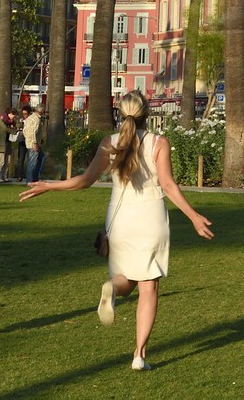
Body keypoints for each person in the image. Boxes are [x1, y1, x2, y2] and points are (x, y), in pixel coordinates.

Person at [20, 91, 213, 371]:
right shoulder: (159, 143)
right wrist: (194, 217)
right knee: (149, 287)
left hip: (120, 219)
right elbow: (168, 186)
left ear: (119, 113)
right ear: (147, 113)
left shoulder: (110, 142)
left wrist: (49, 185)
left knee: (125, 280)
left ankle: (111, 288)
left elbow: (85, 180)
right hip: (150, 217)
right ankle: (138, 355)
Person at [0, 108, 19, 183]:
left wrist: (15, 127)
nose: (14, 118)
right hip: (1, 144)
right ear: (10, 114)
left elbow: (16, 127)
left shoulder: (12, 122)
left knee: (7, 162)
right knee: (1, 162)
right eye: (13, 116)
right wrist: (13, 131)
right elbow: (5, 129)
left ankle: (4, 176)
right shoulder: (2, 119)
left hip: (8, 143)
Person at [22, 105, 44, 182]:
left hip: (30, 142)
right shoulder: (36, 119)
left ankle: (34, 178)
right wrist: (34, 143)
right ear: (41, 111)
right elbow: (32, 132)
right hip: (33, 144)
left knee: (40, 157)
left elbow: (25, 131)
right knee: (32, 162)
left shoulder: (30, 118)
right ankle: (30, 180)